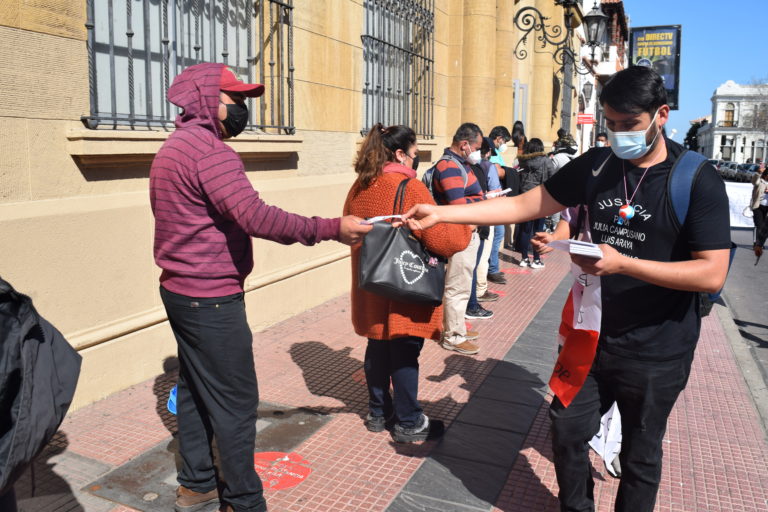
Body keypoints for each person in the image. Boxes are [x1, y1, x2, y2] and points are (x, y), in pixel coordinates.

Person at [401, 65, 731, 512]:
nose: (618, 135)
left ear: (661, 115)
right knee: (566, 426)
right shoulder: (596, 165)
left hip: (659, 346)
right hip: (590, 335)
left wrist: (622, 264)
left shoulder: (696, 177)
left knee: (640, 453)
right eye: (610, 124)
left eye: (629, 125)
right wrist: (444, 215)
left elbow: (711, 273)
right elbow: (523, 204)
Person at [149, 63, 371, 512]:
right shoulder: (209, 152)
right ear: (208, 97)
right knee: (236, 404)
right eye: (236, 99)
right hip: (210, 300)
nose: (242, 108)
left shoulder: (173, 147)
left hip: (180, 292)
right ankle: (245, 501)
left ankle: (196, 484)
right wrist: (331, 227)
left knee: (194, 387)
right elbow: (257, 216)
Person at [343, 123, 470, 443]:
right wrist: (466, 222)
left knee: (377, 347)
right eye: (414, 155)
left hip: (371, 283)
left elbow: (348, 226)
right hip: (405, 285)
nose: (415, 162)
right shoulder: (409, 188)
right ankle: (409, 421)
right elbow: (445, 242)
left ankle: (377, 412)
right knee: (403, 352)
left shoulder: (360, 185)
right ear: (400, 154)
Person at [431, 123, 486, 355]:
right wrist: (483, 203)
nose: (479, 152)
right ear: (464, 145)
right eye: (477, 147)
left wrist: (482, 200)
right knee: (458, 285)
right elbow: (458, 207)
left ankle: (457, 327)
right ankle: (453, 336)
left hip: (464, 232)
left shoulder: (459, 165)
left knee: (461, 283)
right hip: (459, 233)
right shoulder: (450, 167)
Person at [516, 138, 555, 268]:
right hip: (540, 199)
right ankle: (536, 260)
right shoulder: (546, 161)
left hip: (525, 199)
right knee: (538, 231)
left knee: (524, 230)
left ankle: (524, 258)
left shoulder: (522, 161)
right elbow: (553, 180)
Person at [487, 126, 512, 285]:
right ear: (498, 138)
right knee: (497, 234)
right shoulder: (491, 153)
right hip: (492, 200)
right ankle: (493, 270)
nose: (504, 144)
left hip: (497, 199)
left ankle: (493, 268)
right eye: (504, 141)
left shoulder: (495, 152)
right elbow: (497, 172)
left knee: (497, 235)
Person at [750, 163, 768, 257]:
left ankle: (760, 243)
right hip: (758, 206)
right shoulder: (760, 181)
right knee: (759, 225)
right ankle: (757, 243)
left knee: (765, 227)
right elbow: (754, 181)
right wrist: (758, 173)